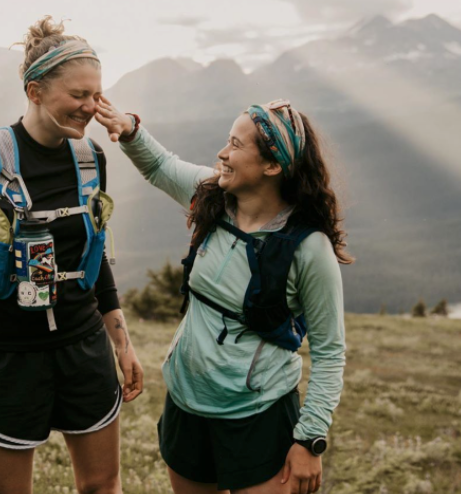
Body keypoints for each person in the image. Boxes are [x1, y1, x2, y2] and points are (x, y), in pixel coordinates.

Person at [0, 16, 143, 494]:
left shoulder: (91, 159)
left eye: (96, 94)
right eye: (78, 95)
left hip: (83, 348)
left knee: (103, 486)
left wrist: (120, 340)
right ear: (35, 91)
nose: (90, 107)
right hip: (6, 359)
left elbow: (95, 253)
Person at [95, 97, 349, 494]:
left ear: (272, 165)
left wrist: (309, 439)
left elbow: (330, 352)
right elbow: (161, 167)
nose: (222, 153)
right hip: (186, 403)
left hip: (259, 415)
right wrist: (130, 129)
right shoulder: (212, 198)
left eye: (235, 144)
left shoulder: (308, 248)